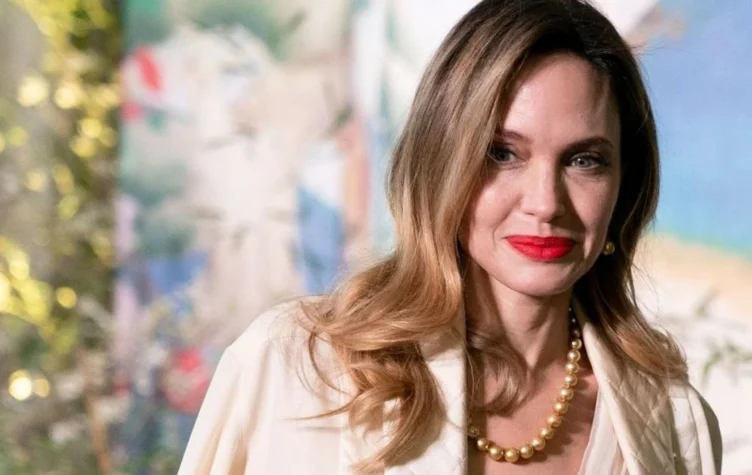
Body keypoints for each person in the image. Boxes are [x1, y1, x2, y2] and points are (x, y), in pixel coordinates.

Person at [177, 0, 722, 473]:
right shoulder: (293, 368)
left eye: (584, 160)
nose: (545, 203)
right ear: (442, 163)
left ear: (624, 188)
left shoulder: (675, 423)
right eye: (502, 153)